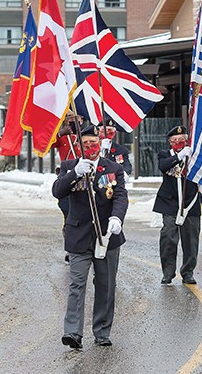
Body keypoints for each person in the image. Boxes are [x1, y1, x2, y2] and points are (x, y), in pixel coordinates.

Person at [52, 125, 128, 349]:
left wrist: (117, 218)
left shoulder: (113, 168)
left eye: (93, 143)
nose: (90, 148)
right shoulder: (69, 166)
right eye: (85, 144)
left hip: (106, 236)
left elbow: (120, 196)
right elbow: (58, 191)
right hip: (79, 235)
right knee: (77, 283)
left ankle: (102, 331)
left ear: (100, 143)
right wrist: (74, 173)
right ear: (79, 146)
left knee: (105, 285)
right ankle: (73, 332)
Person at [153, 125, 202, 285]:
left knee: (191, 240)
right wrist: (179, 156)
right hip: (170, 202)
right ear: (169, 142)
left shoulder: (194, 157)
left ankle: (188, 272)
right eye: (175, 140)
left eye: (181, 140)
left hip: (190, 202)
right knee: (168, 236)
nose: (178, 142)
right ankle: (167, 273)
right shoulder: (164, 154)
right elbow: (163, 166)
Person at [52, 111, 85, 263]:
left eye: (76, 118)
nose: (73, 120)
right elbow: (49, 144)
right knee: (69, 216)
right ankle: (71, 249)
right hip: (67, 179)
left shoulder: (86, 137)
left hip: (84, 180)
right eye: (70, 118)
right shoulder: (64, 137)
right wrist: (59, 134)